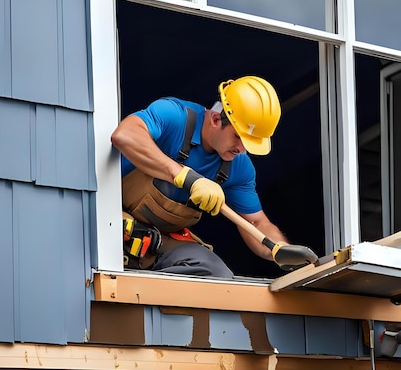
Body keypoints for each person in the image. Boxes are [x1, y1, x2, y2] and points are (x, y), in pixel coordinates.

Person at [111, 76, 299, 278]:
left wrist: (280, 250)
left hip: (157, 243)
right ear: (216, 119)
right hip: (112, 223)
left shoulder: (239, 167)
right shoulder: (174, 116)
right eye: (238, 137)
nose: (242, 150)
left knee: (217, 274)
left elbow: (256, 223)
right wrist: (184, 176)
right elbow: (125, 135)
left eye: (250, 143)